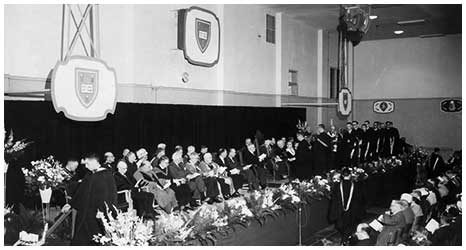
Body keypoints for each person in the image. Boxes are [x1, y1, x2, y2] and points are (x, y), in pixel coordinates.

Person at [66, 153, 117, 245]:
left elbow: (110, 195)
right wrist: (71, 204)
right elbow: (81, 191)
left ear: (94, 162)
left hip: (98, 213)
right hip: (86, 211)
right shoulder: (90, 174)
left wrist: (103, 211)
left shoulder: (105, 175)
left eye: (87, 164)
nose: (85, 166)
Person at [328, 168, 366, 245]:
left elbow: (334, 200)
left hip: (340, 211)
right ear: (350, 175)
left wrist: (333, 212)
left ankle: (344, 239)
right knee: (350, 227)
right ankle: (346, 240)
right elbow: (359, 199)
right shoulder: (356, 185)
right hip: (352, 212)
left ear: (342, 175)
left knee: (342, 226)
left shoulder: (337, 186)